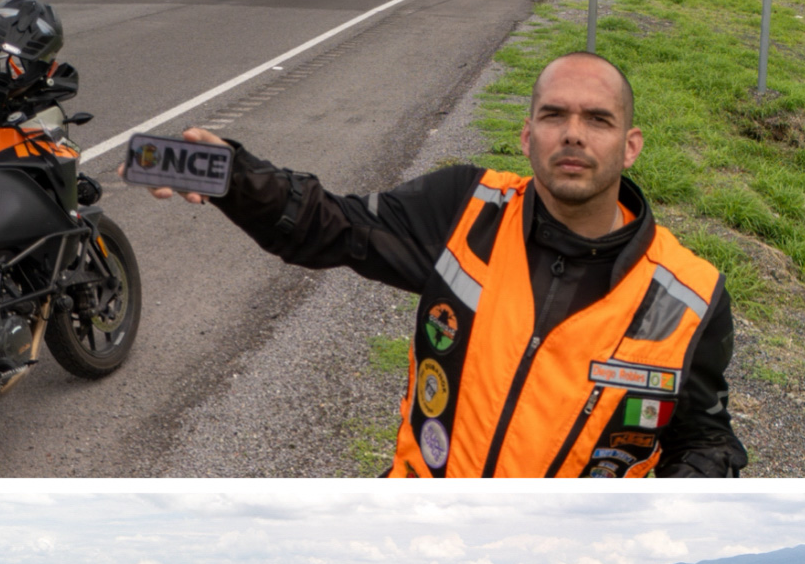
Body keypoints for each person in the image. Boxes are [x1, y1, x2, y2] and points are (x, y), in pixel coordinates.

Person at [136, 51, 746, 478]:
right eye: (554, 115)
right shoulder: (465, 210)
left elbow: (705, 437)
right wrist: (232, 177)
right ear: (527, 134)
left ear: (630, 145)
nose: (574, 135)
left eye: (598, 120)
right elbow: (332, 225)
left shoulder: (691, 296)